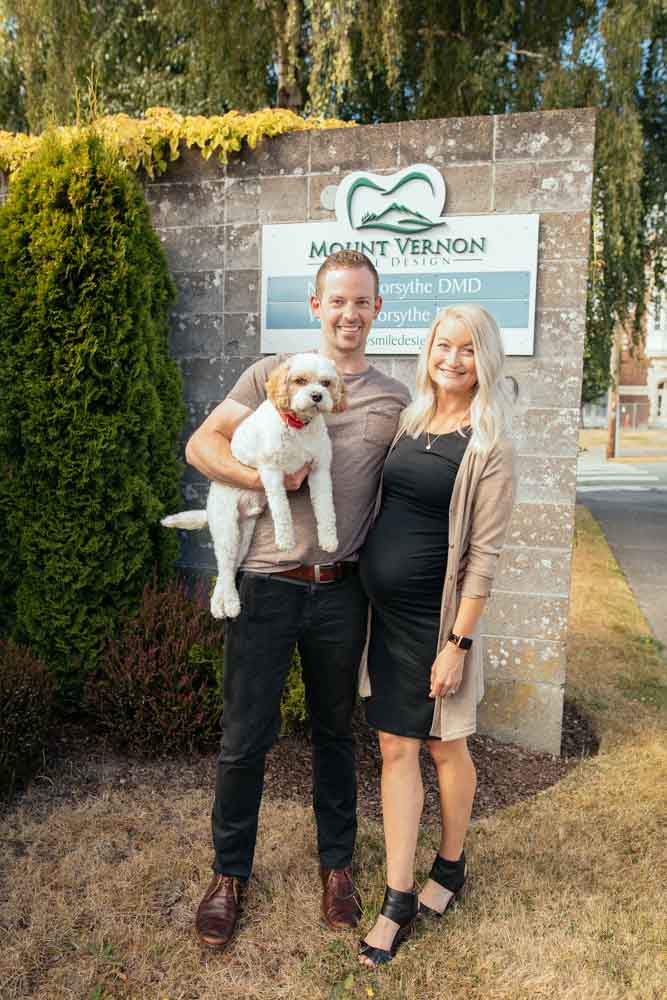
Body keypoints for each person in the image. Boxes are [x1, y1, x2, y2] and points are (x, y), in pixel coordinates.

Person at [185, 250, 410, 950]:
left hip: (341, 593)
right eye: (335, 301)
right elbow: (202, 446)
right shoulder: (266, 374)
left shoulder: (393, 399)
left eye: (361, 302)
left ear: (377, 310)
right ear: (316, 308)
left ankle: (336, 869)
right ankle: (229, 875)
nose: (348, 313)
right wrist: (260, 483)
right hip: (267, 584)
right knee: (244, 738)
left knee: (337, 735)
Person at [356, 303, 516, 968]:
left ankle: (449, 865)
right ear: (428, 351)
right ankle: (397, 896)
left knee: (443, 747)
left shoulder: (490, 447)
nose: (451, 359)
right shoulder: (408, 422)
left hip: (437, 622)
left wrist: (458, 644)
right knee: (395, 746)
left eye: (466, 350)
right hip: (385, 622)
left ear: (485, 360)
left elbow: (483, 556)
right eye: (442, 346)